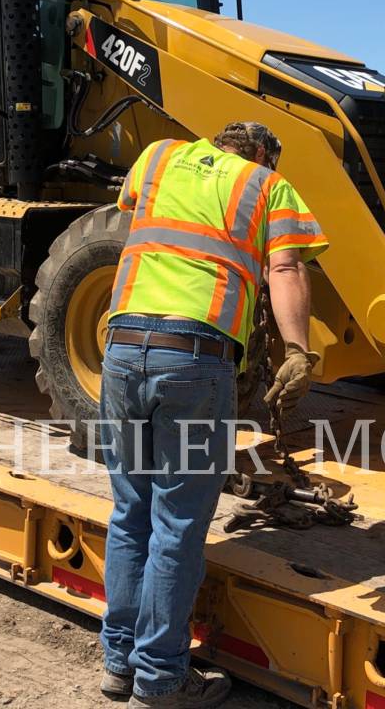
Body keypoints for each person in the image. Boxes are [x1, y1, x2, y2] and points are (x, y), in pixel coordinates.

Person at [97, 121, 328, 708]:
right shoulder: (265, 183)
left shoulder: (156, 157)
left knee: (131, 512)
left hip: (122, 348)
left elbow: (134, 220)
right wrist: (297, 350)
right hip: (194, 361)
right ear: (259, 154)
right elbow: (285, 268)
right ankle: (160, 677)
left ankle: (118, 664)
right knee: (176, 525)